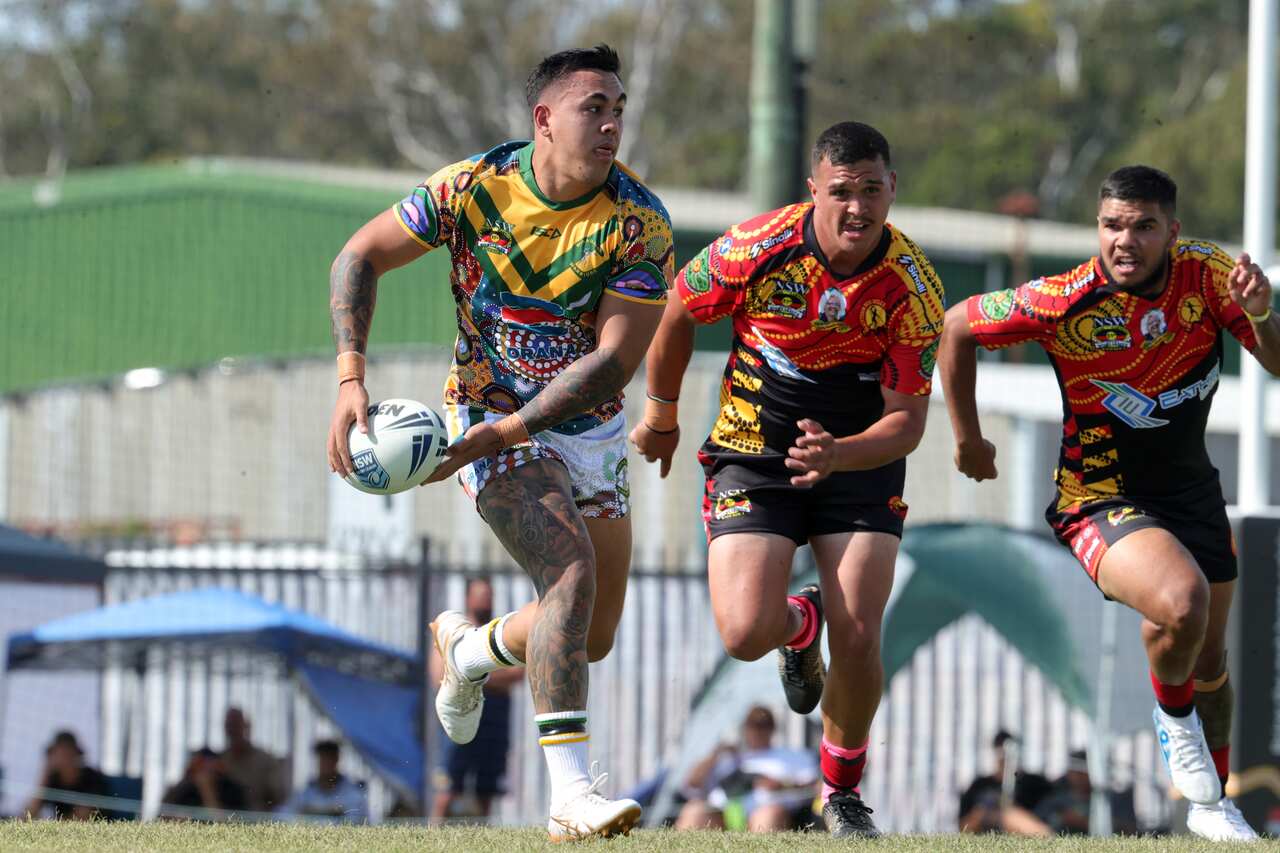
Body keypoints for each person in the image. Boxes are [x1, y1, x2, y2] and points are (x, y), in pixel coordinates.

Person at [325, 44, 673, 840]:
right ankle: (571, 795)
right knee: (569, 571)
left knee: (594, 630)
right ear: (544, 118)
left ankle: (471, 648)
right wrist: (350, 377)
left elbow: (614, 361)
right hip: (483, 410)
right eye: (595, 107)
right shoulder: (471, 187)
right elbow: (360, 254)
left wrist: (508, 432)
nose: (613, 121)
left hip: (582, 428)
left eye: (618, 106)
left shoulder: (638, 222)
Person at [938, 164, 1279, 843]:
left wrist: (1264, 313)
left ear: (1172, 233)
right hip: (1098, 497)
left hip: (1192, 493)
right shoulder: (1063, 299)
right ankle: (1176, 729)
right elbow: (956, 328)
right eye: (1113, 225)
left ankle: (1212, 805)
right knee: (1182, 601)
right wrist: (969, 439)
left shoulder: (1210, 278)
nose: (1126, 240)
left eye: (1144, 226)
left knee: (1207, 658)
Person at [630, 121, 945, 838]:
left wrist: (839, 454)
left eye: (872, 190)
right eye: (841, 192)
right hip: (753, 452)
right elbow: (678, 310)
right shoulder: (755, 249)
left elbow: (907, 423)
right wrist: (662, 415)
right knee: (744, 632)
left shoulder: (914, 286)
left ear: (892, 189)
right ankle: (797, 624)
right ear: (814, 191)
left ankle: (842, 793)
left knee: (860, 631)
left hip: (858, 461)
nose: (858, 208)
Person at [430, 576, 524, 822]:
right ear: (468, 598)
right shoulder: (454, 634)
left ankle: (482, 837)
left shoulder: (502, 634)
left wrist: (469, 672)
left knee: (487, 788)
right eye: (480, 595)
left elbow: (517, 673)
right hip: (459, 714)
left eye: (489, 596)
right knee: (449, 785)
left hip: (494, 719)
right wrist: (490, 674)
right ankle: (432, 834)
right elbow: (439, 674)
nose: (485, 601)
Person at [674, 705, 818, 833]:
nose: (757, 730)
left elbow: (815, 787)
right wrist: (714, 754)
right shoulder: (727, 757)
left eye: (763, 725)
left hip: (766, 811)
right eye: (752, 724)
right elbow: (691, 784)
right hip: (723, 812)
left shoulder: (793, 756)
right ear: (744, 727)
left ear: (772, 728)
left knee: (768, 816)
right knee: (694, 811)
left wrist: (781, 785)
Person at [956, 730, 1052, 836]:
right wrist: (986, 815)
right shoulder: (980, 785)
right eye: (1001, 752)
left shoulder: (1035, 783)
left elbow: (1049, 821)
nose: (1005, 758)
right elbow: (964, 826)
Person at [1034, 750, 1138, 836]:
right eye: (1074, 772)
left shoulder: (1113, 800)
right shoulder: (1056, 801)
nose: (1077, 777)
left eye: (1081, 772)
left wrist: (1083, 823)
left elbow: (1131, 831)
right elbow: (1035, 825)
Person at [23, 730, 109, 820]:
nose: (62, 758)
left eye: (67, 752)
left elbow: (82, 817)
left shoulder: (92, 778)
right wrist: (45, 774)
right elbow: (28, 814)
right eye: (58, 753)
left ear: (75, 754)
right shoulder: (53, 779)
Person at [278, 740, 368, 823]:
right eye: (322, 759)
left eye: (329, 759)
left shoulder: (353, 793)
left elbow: (356, 822)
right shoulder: (306, 792)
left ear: (337, 760)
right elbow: (283, 814)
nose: (326, 764)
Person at [220, 707, 286, 812]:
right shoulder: (220, 760)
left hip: (257, 820)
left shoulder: (266, 761)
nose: (233, 731)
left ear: (246, 727)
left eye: (236, 725)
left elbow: (279, 797)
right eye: (229, 726)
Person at [160, 747, 248, 820]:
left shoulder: (232, 791)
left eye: (210, 764)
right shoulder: (187, 788)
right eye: (200, 765)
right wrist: (186, 778)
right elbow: (164, 812)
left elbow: (226, 822)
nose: (206, 769)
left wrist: (206, 789)